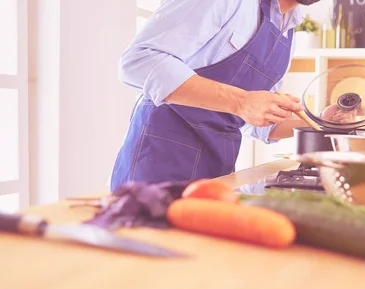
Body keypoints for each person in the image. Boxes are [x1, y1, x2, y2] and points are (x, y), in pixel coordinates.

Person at [109, 0, 323, 191]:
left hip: (217, 170)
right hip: (160, 160)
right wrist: (241, 102)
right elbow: (138, 62)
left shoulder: (288, 32)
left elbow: (256, 120)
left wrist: (324, 123)